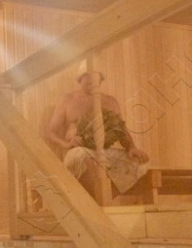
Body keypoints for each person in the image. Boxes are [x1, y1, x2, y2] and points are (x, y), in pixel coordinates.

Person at [47, 61, 149, 195]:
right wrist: (67, 144)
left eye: (96, 76)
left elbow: (121, 130)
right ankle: (99, 201)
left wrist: (132, 147)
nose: (92, 79)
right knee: (86, 159)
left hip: (104, 152)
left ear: (101, 79)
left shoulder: (110, 102)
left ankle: (108, 198)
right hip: (77, 152)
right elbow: (51, 132)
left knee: (140, 164)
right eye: (88, 76)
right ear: (80, 78)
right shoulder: (68, 100)